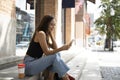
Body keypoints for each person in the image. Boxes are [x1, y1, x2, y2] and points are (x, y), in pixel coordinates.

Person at [23, 15, 75, 80]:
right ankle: (65, 77)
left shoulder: (45, 34)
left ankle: (52, 77)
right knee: (54, 57)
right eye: (51, 24)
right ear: (46, 24)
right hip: (29, 65)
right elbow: (47, 52)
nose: (53, 27)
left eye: (54, 25)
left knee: (57, 54)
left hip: (35, 63)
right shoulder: (41, 33)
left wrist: (51, 34)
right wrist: (62, 48)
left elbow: (55, 48)